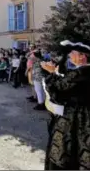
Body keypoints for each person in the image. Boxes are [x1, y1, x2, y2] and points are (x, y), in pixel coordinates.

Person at [41, 40, 90, 170]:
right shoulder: (83, 72)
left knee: (66, 150)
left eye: (72, 53)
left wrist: (52, 73)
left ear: (82, 56)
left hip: (76, 117)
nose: (69, 56)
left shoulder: (81, 72)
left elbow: (60, 89)